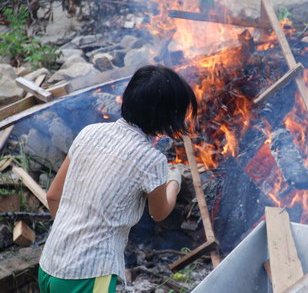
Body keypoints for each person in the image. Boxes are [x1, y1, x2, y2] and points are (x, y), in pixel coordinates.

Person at [38, 65, 198, 293]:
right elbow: (159, 212)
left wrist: (72, 241)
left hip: (50, 263)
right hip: (88, 274)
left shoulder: (89, 132)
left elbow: (53, 196)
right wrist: (174, 181)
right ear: (167, 117)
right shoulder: (152, 160)